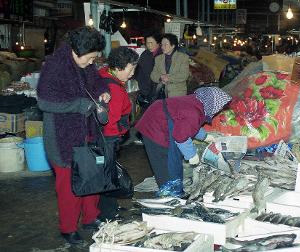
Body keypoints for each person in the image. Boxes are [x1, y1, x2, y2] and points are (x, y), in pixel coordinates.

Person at [37, 26, 110, 245]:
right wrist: (79, 105)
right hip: (62, 137)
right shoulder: (55, 67)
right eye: (90, 58)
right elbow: (45, 102)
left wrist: (102, 91)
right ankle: (68, 228)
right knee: (69, 186)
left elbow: (96, 81)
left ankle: (91, 217)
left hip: (87, 131)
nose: (92, 62)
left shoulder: (84, 64)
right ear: (76, 51)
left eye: (94, 58)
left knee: (91, 176)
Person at [134, 87, 232, 196]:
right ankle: (169, 196)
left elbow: (187, 123)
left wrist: (204, 136)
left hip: (159, 119)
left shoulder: (197, 103)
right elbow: (181, 136)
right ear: (213, 102)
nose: (219, 109)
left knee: (172, 160)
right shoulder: (194, 111)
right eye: (220, 106)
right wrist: (191, 155)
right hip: (155, 128)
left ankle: (173, 191)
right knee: (166, 163)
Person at [97, 46, 139, 221]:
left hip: (104, 137)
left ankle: (111, 207)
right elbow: (110, 120)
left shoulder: (106, 76)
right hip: (107, 137)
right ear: (119, 67)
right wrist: (113, 139)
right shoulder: (112, 87)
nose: (132, 74)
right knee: (107, 176)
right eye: (131, 69)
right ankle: (108, 214)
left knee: (108, 173)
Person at [150, 33, 189, 98]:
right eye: (162, 44)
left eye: (166, 44)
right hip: (161, 93)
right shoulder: (158, 58)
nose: (162, 47)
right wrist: (160, 78)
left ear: (173, 45)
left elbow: (184, 75)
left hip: (178, 93)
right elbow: (153, 75)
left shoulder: (183, 57)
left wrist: (168, 78)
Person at [134, 33, 162, 110]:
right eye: (147, 43)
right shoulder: (145, 54)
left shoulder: (163, 55)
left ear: (158, 43)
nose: (149, 45)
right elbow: (137, 69)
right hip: (143, 89)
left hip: (156, 91)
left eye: (151, 43)